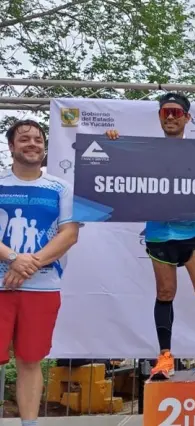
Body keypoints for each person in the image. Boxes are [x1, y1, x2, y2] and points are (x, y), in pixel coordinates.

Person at [105, 92, 195, 380]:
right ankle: (164, 357)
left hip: (193, 232)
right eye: (167, 113)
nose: (172, 117)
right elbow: (120, 172)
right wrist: (112, 146)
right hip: (160, 233)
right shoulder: (146, 151)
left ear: (188, 118)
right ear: (160, 118)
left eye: (177, 113)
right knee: (165, 293)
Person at [0, 119, 79, 426]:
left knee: (31, 361)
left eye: (37, 139)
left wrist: (27, 264)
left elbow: (68, 235)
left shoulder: (60, 188)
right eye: (24, 139)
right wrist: (14, 258)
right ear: (11, 146)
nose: (32, 143)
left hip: (42, 288)